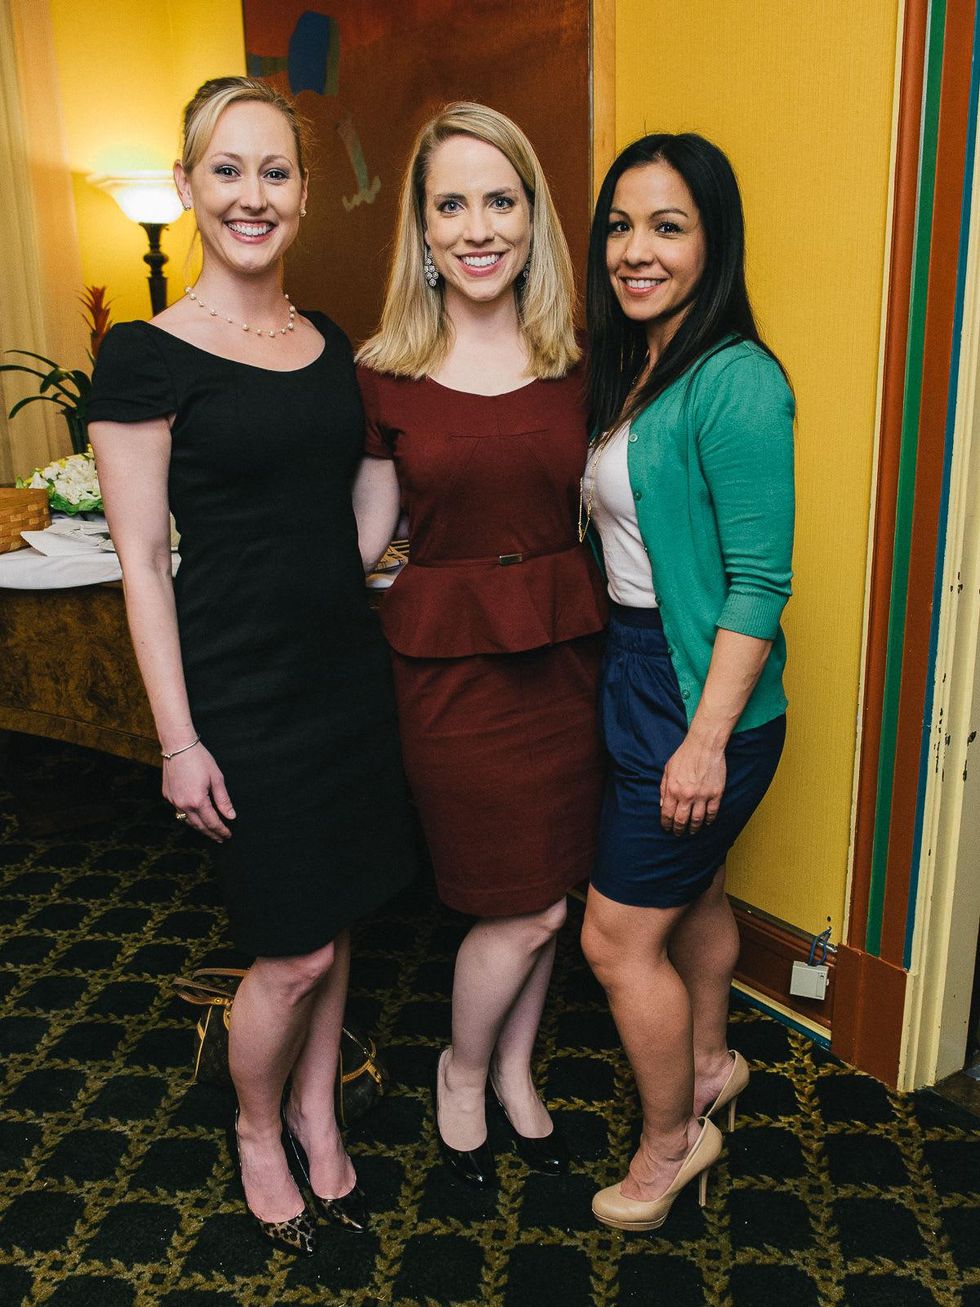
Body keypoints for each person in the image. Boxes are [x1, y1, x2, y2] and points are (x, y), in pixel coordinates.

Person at [87, 76, 416, 1255]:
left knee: (341, 916)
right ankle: (257, 1130)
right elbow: (139, 565)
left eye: (274, 171)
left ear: (304, 193)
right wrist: (178, 740)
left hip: (342, 674)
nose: (251, 194)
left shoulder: (328, 341)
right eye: (226, 170)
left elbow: (365, 482)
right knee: (294, 946)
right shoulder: (142, 356)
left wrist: (345, 562)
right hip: (238, 687)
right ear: (187, 187)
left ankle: (324, 1113)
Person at [354, 102, 607, 1188]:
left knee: (551, 887)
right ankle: (462, 1071)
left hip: (566, 658)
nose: (476, 226)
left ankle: (512, 1074)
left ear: (531, 215)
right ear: (419, 227)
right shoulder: (380, 371)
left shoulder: (581, 361)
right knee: (521, 900)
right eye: (449, 202)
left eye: (497, 199)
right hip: (450, 674)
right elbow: (358, 539)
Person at [579, 133, 795, 1231]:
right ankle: (708, 1061)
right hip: (635, 665)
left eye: (666, 226)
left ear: (712, 242)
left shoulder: (735, 377)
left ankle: (672, 1140)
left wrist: (702, 738)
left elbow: (758, 581)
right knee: (697, 886)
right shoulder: (641, 364)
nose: (634, 249)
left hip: (698, 691)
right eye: (620, 224)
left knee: (614, 938)